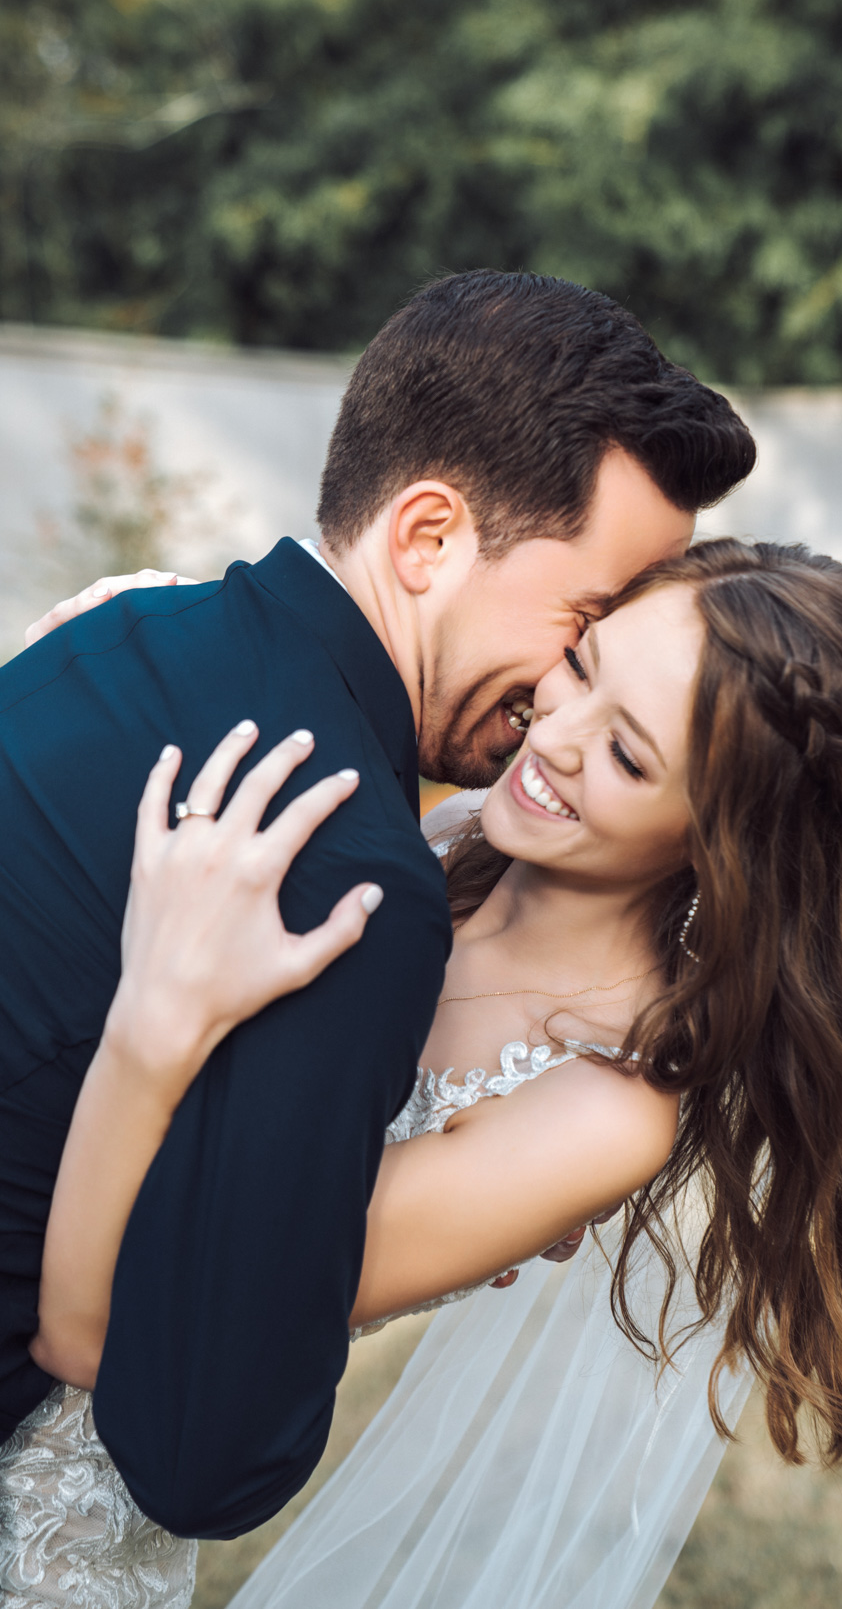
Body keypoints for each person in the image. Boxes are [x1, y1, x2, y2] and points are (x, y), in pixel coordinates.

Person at [0, 270, 756, 1598]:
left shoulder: (125, 629)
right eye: (581, 629)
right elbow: (204, 1460)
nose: (555, 710)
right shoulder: (348, 876)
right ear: (424, 537)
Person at [21, 537, 842, 1608]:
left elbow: (107, 1333)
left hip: (58, 1493)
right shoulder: (435, 841)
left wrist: (150, 1025)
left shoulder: (596, 1106)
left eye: (630, 758)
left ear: (723, 840)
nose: (555, 735)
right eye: (581, 664)